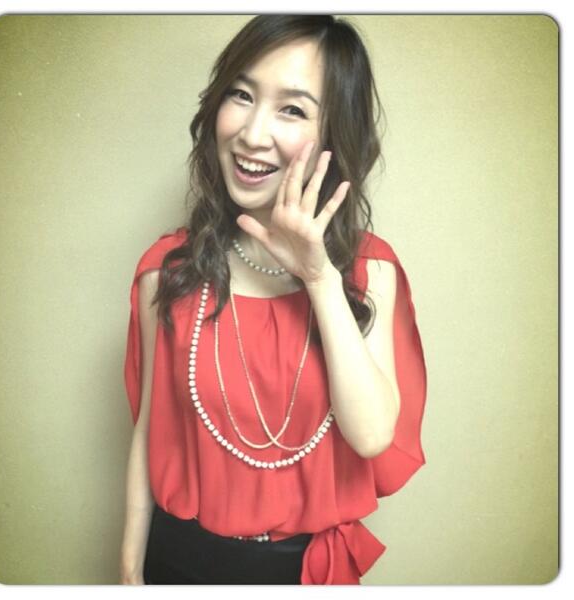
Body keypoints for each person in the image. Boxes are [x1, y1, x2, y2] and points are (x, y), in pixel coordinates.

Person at [119, 15, 427, 585]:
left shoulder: (370, 269)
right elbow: (149, 432)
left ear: (334, 134)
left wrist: (319, 276)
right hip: (177, 561)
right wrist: (129, 569)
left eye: (292, 109)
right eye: (240, 94)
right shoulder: (167, 271)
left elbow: (371, 436)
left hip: (304, 573)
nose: (252, 134)